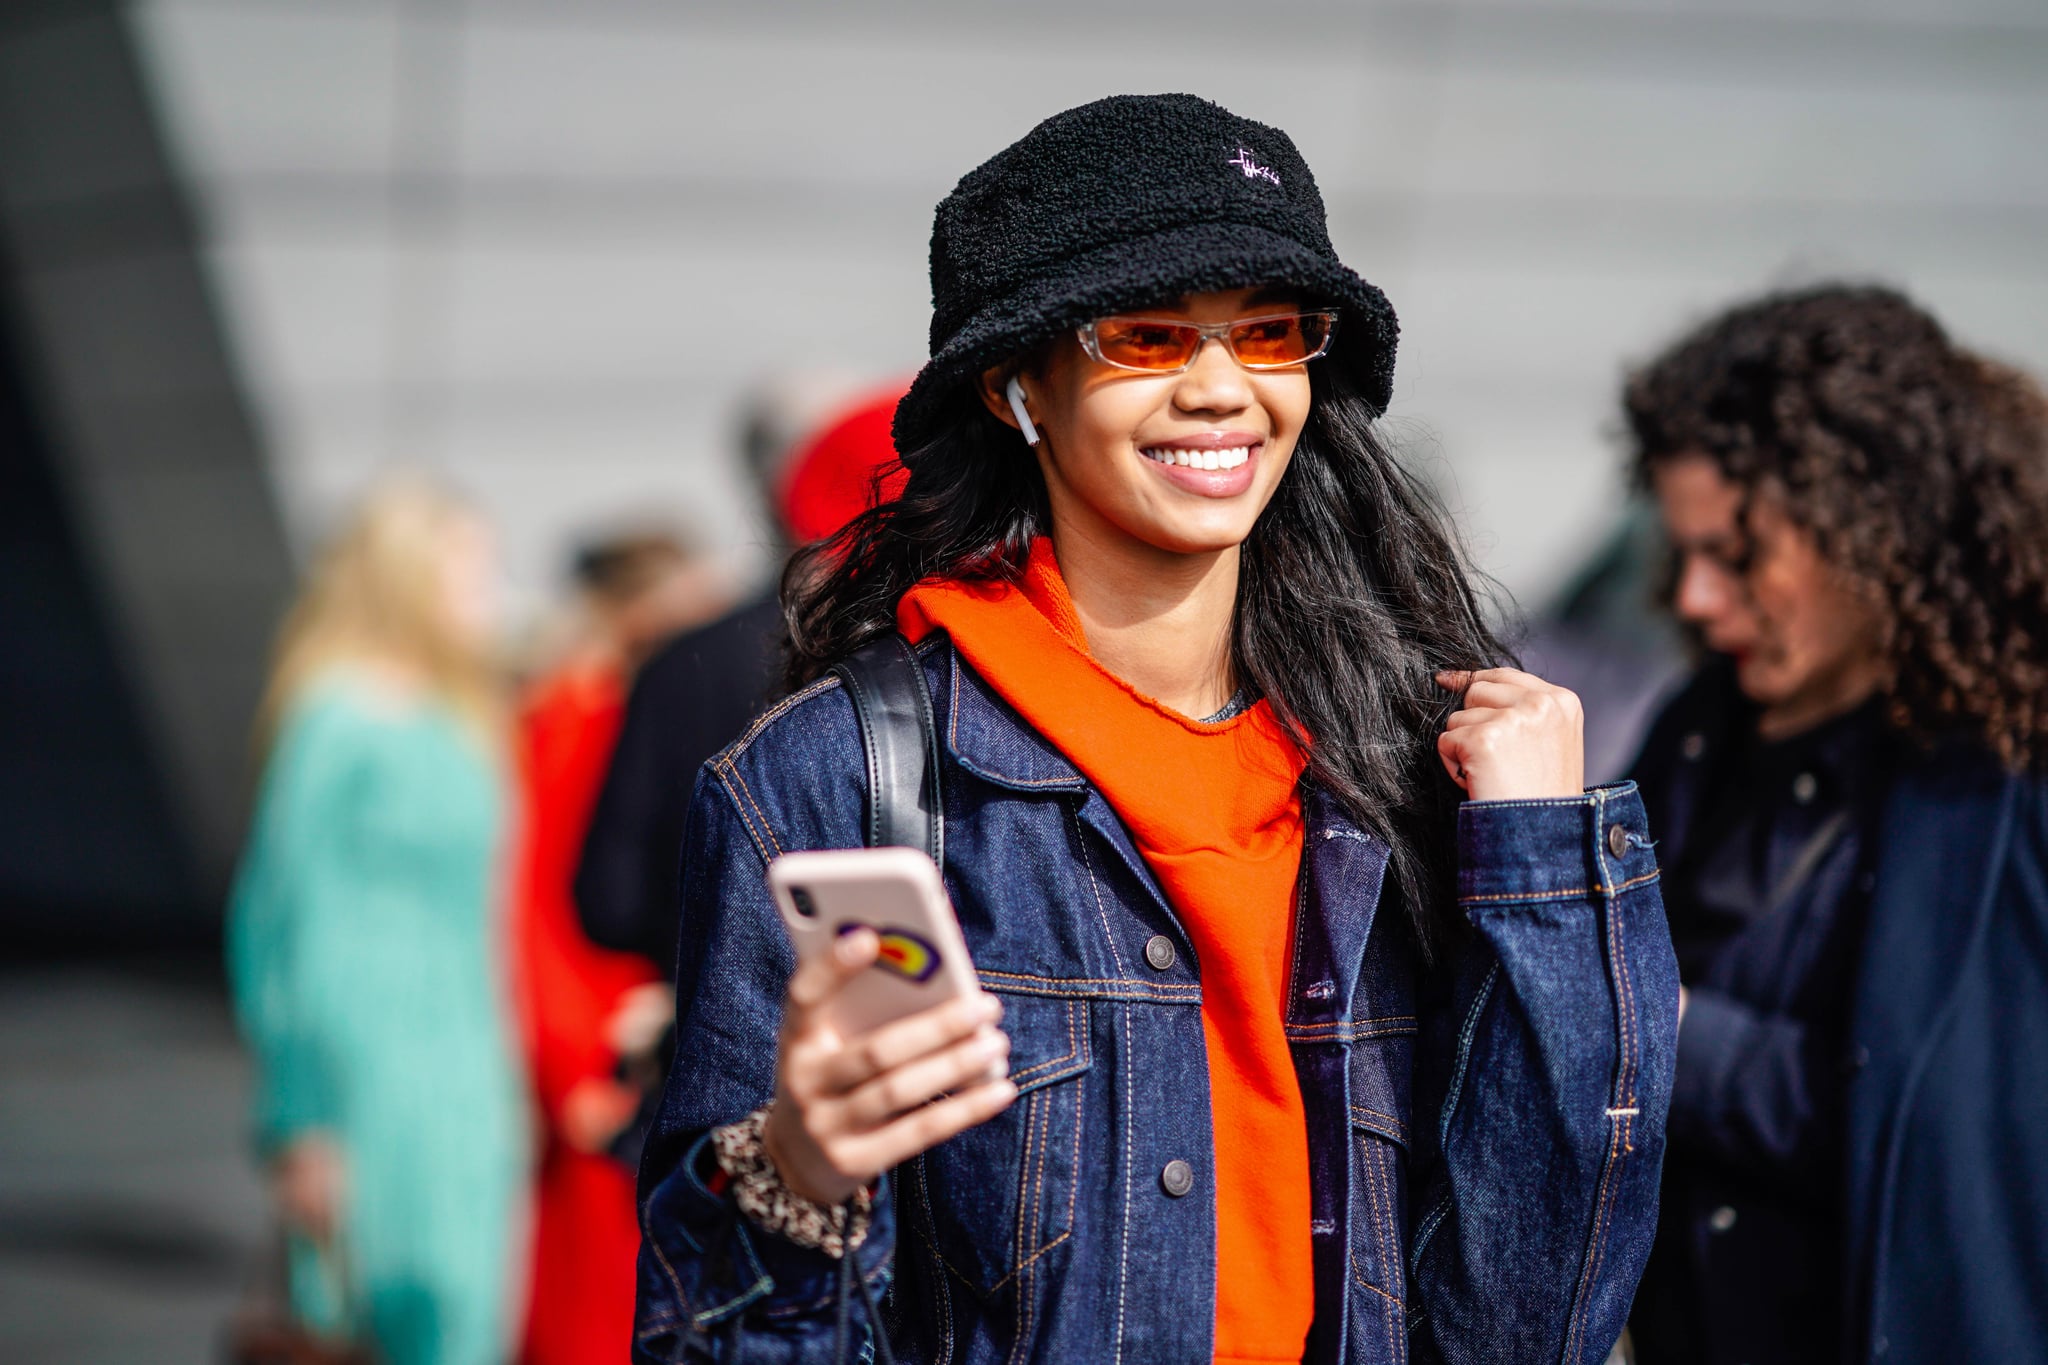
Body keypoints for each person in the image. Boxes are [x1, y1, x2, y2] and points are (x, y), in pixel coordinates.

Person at [632, 95, 1678, 1365]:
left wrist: (1542, 868)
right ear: (1015, 385)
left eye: (1269, 332)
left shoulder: (1420, 768)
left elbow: (1531, 1320)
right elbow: (711, 1337)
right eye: (1146, 336)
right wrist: (794, 1175)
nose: (1221, 389)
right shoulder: (832, 780)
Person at [1620, 285, 2048, 1364]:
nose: (1696, 598)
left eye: (1737, 554)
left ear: (1873, 528)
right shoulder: (1699, 729)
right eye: (1681, 554)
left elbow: (1944, 1132)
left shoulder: (2009, 775)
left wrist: (1656, 1029)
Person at [227, 478, 528, 1365]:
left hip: (469, 1053)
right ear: (406, 577)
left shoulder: (459, 709)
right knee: (392, 1309)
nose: (490, 592)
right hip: (364, 1063)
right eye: (469, 570)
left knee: (467, 1311)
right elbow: (280, 914)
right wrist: (300, 1115)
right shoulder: (336, 718)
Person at [575, 384, 907, 974]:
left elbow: (611, 902)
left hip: (701, 991)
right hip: (897, 994)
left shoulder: (681, 663)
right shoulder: (937, 666)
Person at [510, 532, 720, 1365]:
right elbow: (544, 906)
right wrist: (576, 1064)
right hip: (599, 1049)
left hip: (608, 1037)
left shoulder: (592, 706)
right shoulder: (581, 717)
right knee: (598, 1307)